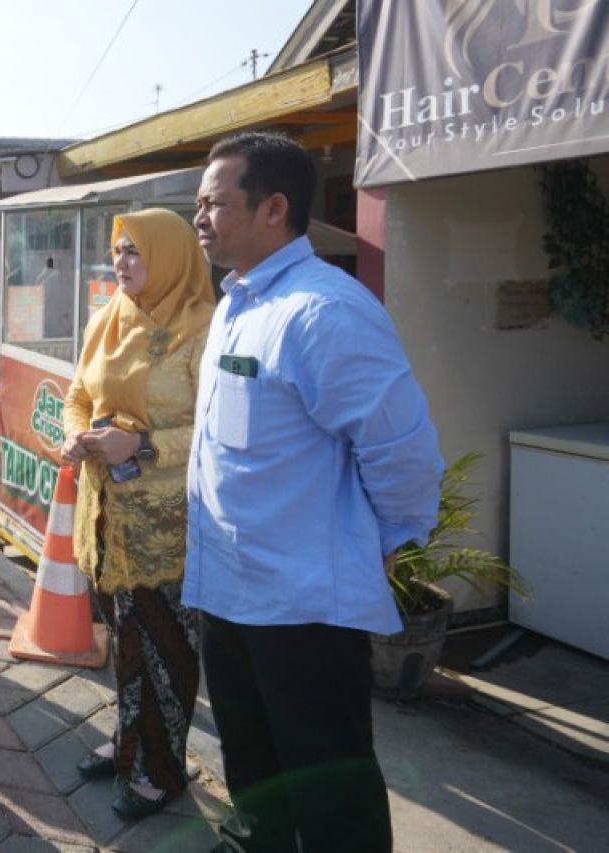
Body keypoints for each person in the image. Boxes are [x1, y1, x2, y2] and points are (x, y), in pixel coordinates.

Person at [187, 131, 442, 853]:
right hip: (231, 594)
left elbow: (403, 450)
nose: (199, 216)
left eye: (213, 202)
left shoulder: (323, 310)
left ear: (274, 209)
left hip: (302, 610)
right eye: (197, 203)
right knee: (257, 776)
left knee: (332, 796)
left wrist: (388, 541)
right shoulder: (238, 302)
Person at [60, 208, 214, 820]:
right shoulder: (108, 317)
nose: (120, 261)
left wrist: (143, 444)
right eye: (117, 250)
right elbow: (78, 393)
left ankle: (164, 768)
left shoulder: (205, 327)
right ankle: (129, 739)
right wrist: (75, 436)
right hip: (104, 516)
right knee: (122, 639)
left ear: (172, 255)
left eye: (135, 251)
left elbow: (215, 428)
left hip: (168, 522)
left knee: (165, 648)